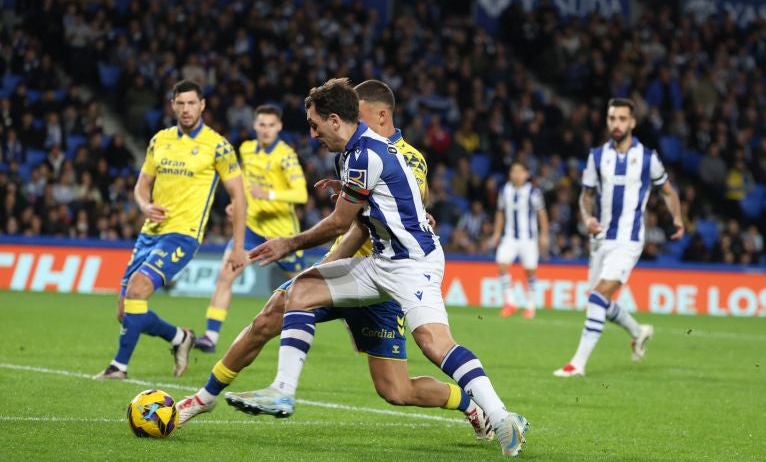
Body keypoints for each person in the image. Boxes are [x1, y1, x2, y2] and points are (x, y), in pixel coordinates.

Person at [175, 80, 493, 442]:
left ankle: (471, 403)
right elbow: (357, 214)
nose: (353, 118)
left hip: (385, 279)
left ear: (381, 115)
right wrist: (328, 261)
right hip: (347, 271)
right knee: (268, 317)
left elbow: (365, 222)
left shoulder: (407, 157)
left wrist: (317, 249)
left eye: (361, 112)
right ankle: (204, 398)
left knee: (396, 390)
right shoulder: (350, 152)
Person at [242, 78, 527, 455]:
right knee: (302, 289)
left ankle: (502, 416)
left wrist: (289, 242)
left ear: (338, 119)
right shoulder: (351, 154)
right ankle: (282, 391)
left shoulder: (367, 154)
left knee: (432, 342)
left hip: (414, 262)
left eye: (314, 125)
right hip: (380, 261)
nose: (312, 134)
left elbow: (343, 222)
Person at [95, 80, 246, 380]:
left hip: (183, 234)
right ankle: (180, 338)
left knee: (138, 290)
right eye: (181, 103)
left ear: (202, 105)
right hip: (150, 232)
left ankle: (119, 367)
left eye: (192, 103)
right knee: (125, 310)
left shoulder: (218, 146)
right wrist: (143, 205)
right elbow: (142, 186)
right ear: (173, 105)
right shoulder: (159, 140)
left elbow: (238, 196)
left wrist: (239, 246)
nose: (186, 109)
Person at [554, 98, 683, 377]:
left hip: (629, 240)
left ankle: (577, 363)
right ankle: (639, 331)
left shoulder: (648, 158)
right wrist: (587, 218)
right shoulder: (597, 157)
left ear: (632, 123)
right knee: (598, 301)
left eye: (622, 119)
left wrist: (678, 219)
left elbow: (668, 191)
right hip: (600, 240)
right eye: (612, 118)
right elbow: (586, 196)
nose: (616, 123)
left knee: (599, 295)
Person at [194, 105, 308, 353]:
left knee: (304, 291)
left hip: (282, 235)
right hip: (250, 229)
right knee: (226, 275)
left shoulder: (286, 156)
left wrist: (268, 193)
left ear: (279, 127)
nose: (266, 130)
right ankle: (210, 337)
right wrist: (237, 204)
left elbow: (300, 193)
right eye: (262, 125)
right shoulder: (246, 149)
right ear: (255, 125)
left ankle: (346, 321)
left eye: (271, 125)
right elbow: (243, 183)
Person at [488, 161, 549, 318]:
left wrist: (544, 234)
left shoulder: (533, 192)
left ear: (526, 174)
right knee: (501, 264)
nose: (516, 174)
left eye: (520, 171)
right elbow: (500, 212)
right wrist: (496, 233)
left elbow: (541, 213)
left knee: (530, 272)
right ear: (510, 174)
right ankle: (510, 302)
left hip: (528, 239)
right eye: (513, 171)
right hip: (510, 237)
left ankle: (530, 306)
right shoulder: (505, 190)